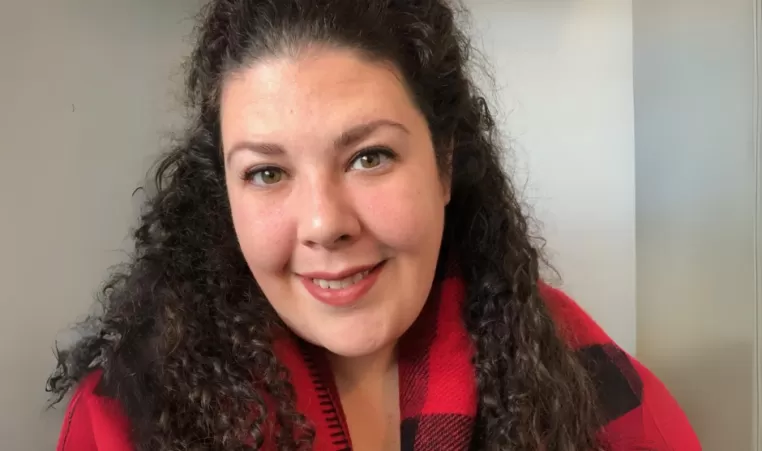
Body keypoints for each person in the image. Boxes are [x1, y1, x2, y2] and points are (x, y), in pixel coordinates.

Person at [48, 0, 701, 450]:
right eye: (267, 172)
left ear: (444, 165)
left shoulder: (588, 381)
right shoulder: (127, 414)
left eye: (369, 156)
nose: (324, 223)